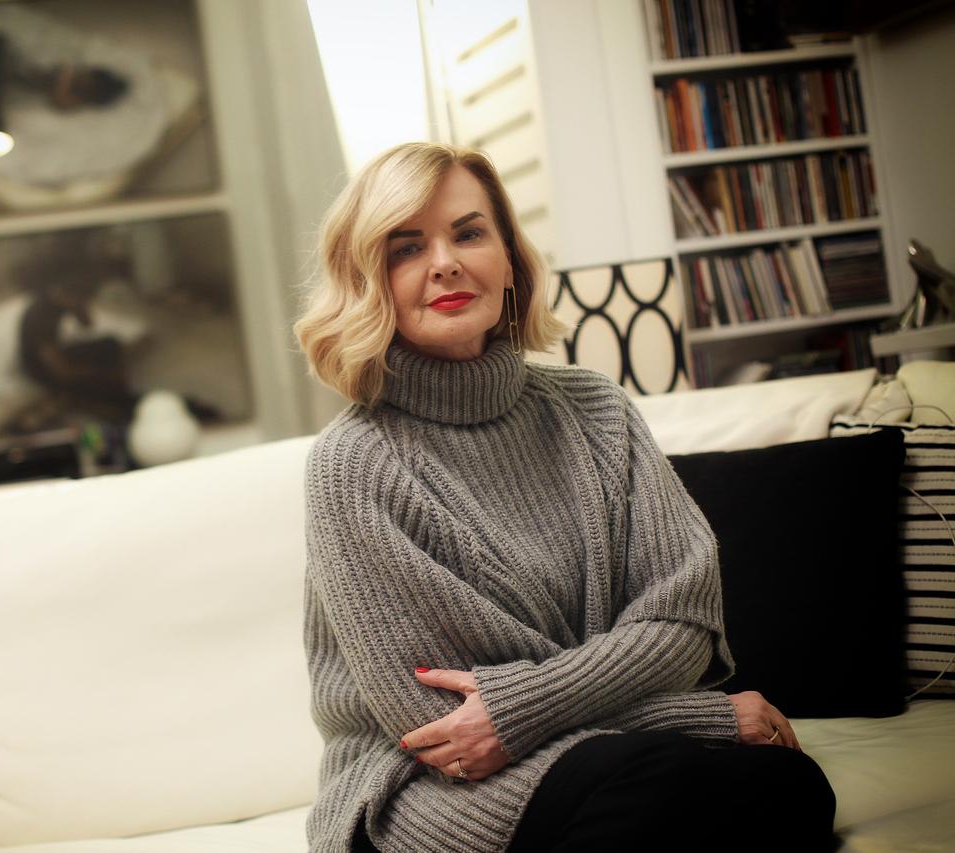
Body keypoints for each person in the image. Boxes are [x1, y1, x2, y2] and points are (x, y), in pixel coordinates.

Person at [293, 142, 837, 853]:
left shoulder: (596, 410)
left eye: (468, 233)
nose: (445, 263)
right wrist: (699, 718)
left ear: (510, 261)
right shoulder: (354, 464)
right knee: (658, 789)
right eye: (407, 247)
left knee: (794, 787)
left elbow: (683, 625)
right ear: (370, 282)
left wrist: (520, 704)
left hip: (607, 771)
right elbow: (447, 730)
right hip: (427, 796)